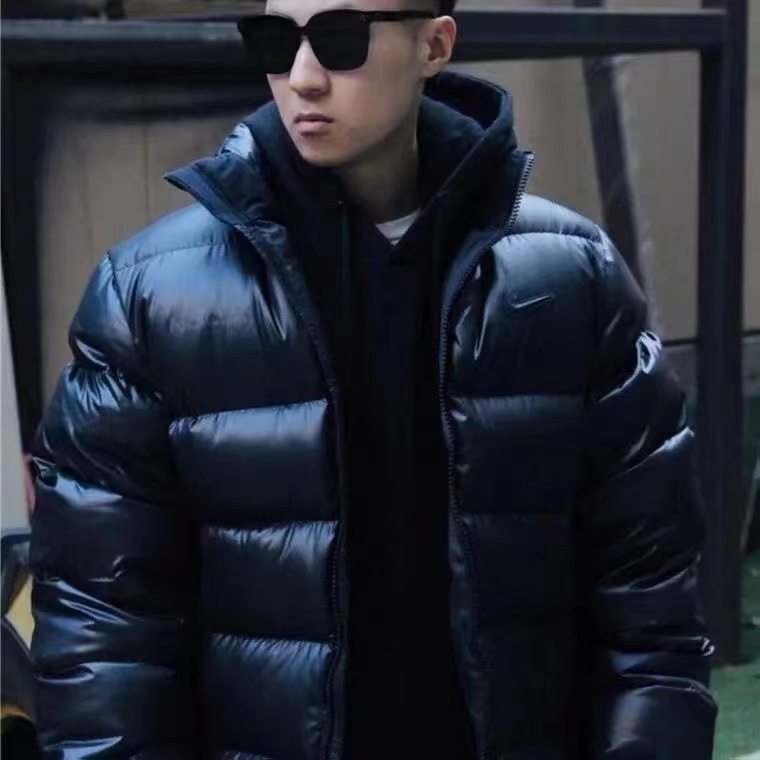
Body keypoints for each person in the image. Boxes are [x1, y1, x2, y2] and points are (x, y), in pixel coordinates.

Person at [28, 0, 718, 758]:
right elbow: (104, 625)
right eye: (276, 40)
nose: (301, 76)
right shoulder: (150, 295)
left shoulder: (571, 277)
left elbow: (648, 600)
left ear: (435, 45)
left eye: (339, 38)